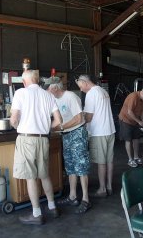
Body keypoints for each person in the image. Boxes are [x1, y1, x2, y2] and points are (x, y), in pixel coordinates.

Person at [10, 69, 62, 225]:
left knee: (31, 177)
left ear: (24, 82)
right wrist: (46, 128)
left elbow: (13, 119)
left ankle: (36, 213)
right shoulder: (48, 95)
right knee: (44, 174)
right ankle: (52, 207)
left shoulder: (20, 93)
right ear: (38, 80)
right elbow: (59, 121)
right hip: (43, 139)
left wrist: (18, 125)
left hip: (27, 139)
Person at [47, 81, 91, 213]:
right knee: (70, 166)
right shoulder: (54, 100)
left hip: (77, 133)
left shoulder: (70, 96)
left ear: (54, 87)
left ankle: (85, 199)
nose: (47, 92)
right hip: (66, 135)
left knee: (81, 166)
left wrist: (59, 127)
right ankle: (72, 196)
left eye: (48, 89)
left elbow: (78, 118)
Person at [76, 74, 116, 198]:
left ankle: (102, 189)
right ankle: (109, 186)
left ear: (85, 82)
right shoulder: (103, 91)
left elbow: (89, 117)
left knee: (101, 162)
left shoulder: (91, 94)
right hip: (110, 130)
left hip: (99, 132)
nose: (81, 89)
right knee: (109, 160)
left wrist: (79, 117)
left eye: (81, 86)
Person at [118, 87, 143, 167]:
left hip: (135, 121)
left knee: (136, 139)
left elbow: (142, 111)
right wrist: (139, 121)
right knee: (128, 140)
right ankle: (130, 160)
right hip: (126, 120)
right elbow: (129, 112)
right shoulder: (133, 96)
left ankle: (136, 157)